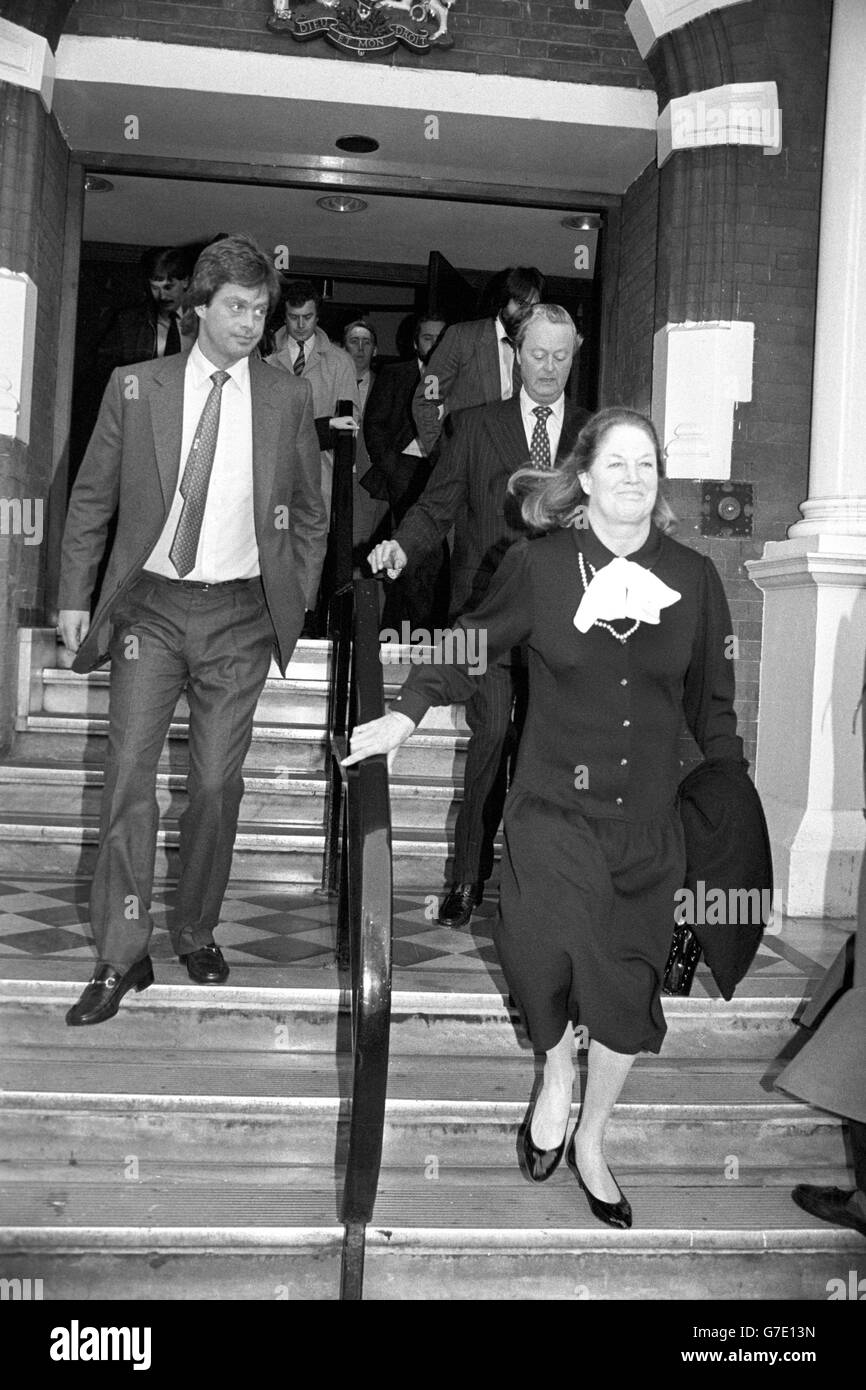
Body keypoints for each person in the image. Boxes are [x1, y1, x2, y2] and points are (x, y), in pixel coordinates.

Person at [347, 407, 743, 1228]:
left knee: (628, 991)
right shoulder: (541, 566)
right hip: (554, 805)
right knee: (545, 947)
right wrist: (405, 714)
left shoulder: (697, 580)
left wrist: (729, 804)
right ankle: (555, 1071)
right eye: (618, 463)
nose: (634, 477)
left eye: (648, 464)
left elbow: (713, 708)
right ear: (587, 477)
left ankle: (592, 1140)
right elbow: (469, 644)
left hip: (649, 823)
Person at [57, 234, 328, 1027]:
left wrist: (294, 598)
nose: (251, 323)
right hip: (150, 607)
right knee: (129, 777)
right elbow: (91, 499)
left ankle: (197, 927)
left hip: (240, 614)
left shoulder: (285, 397)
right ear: (198, 307)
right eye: (236, 308)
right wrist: (77, 592)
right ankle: (120, 953)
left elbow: (309, 514)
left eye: (261, 310)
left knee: (214, 784)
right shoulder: (135, 387)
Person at [369, 304, 588, 928]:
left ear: (574, 356)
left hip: (568, 622)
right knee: (492, 735)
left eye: (560, 355)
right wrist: (401, 547)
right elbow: (436, 508)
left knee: (548, 751)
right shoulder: (473, 425)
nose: (547, 368)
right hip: (485, 617)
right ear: (516, 354)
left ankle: (540, 881)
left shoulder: (593, 435)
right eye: (537, 354)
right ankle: (467, 879)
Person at [362, 312, 448, 629]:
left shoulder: (459, 378)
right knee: (411, 553)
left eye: (441, 338)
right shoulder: (396, 374)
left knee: (437, 558)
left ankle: (428, 629)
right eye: (428, 338)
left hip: (443, 472)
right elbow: (375, 426)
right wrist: (393, 467)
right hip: (405, 470)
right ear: (415, 342)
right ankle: (406, 631)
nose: (435, 345)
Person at [411, 265, 545, 458]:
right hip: (467, 458)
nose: (526, 313)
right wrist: (441, 454)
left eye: (533, 307)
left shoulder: (535, 347)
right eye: (520, 303)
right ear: (503, 301)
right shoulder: (462, 337)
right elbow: (427, 399)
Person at [267, 280, 359, 516]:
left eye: (307, 317)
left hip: (319, 472)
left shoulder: (340, 362)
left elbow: (350, 423)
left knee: (312, 545)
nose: (299, 325)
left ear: (318, 317)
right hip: (270, 471)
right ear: (284, 316)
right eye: (293, 317)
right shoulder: (264, 357)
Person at [96, 245, 194, 376]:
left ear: (185, 282)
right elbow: (106, 371)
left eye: (168, 287)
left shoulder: (205, 321)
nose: (162, 296)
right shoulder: (128, 322)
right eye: (155, 288)